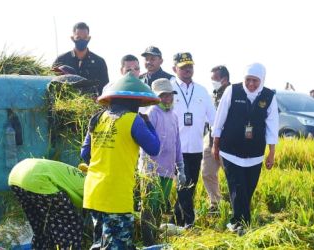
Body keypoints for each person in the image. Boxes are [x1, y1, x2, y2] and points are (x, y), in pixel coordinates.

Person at [81, 73, 161, 249]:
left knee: (99, 244)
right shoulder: (133, 120)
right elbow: (154, 148)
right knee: (117, 245)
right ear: (136, 103)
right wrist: (148, 124)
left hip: (94, 191)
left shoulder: (97, 118)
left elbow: (85, 154)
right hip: (116, 194)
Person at [212, 63, 279, 235]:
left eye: (255, 81)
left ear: (262, 80)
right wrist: (215, 144)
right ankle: (242, 225)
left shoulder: (268, 96)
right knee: (237, 186)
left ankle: (237, 222)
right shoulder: (232, 91)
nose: (250, 84)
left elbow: (272, 125)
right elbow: (219, 119)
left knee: (248, 189)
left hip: (255, 153)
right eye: (248, 80)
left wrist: (271, 152)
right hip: (230, 150)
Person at [170, 52, 216, 228]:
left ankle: (176, 221)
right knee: (184, 184)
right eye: (183, 67)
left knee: (190, 186)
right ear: (174, 69)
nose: (187, 70)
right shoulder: (169, 89)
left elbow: (213, 118)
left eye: (190, 66)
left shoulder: (201, 91)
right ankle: (190, 221)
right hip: (176, 147)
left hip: (196, 147)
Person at [138, 78, 186, 245]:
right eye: (163, 95)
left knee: (159, 206)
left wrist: (181, 169)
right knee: (149, 207)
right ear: (156, 97)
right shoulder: (152, 113)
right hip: (152, 170)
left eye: (169, 95)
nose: (167, 98)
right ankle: (147, 241)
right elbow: (145, 144)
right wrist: (148, 169)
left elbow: (177, 143)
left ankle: (155, 237)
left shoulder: (173, 115)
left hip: (167, 170)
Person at [8, 158, 85, 249]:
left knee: (41, 226)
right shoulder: (94, 187)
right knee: (70, 225)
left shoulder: (83, 177)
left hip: (16, 175)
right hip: (38, 177)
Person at [201, 65, 231, 213]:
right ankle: (215, 203)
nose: (212, 82)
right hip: (210, 138)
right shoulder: (212, 95)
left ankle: (236, 203)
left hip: (228, 140)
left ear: (224, 80)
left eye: (214, 79)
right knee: (207, 171)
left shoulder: (233, 94)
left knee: (231, 174)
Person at [52, 22, 109, 95]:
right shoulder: (61, 60)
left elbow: (105, 87)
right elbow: (51, 82)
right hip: (66, 102)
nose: (82, 40)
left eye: (85, 38)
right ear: (72, 38)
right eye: (78, 37)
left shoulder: (99, 62)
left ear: (89, 38)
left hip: (93, 103)